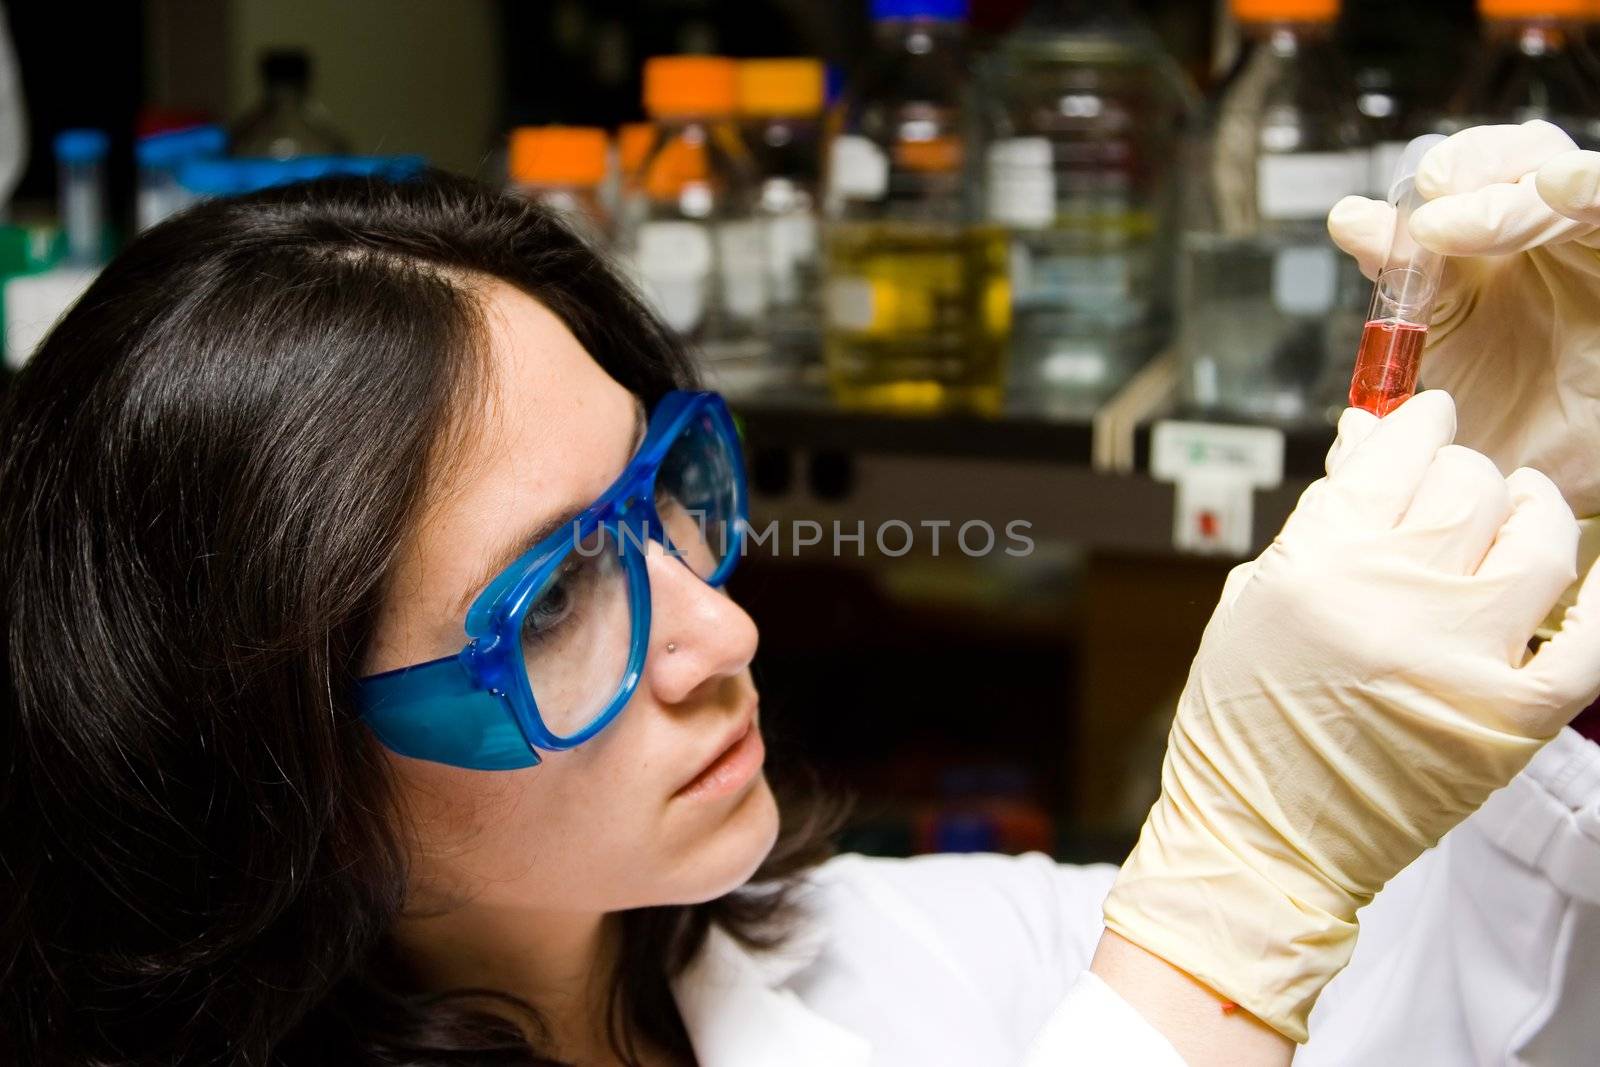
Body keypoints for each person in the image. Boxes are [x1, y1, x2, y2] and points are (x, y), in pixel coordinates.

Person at [0, 121, 1597, 1067]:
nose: (721, 630)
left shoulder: (845, 960)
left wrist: (1553, 530)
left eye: (657, 490)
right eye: (551, 596)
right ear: (265, 770)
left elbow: (1427, 1014)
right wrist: (1219, 928)